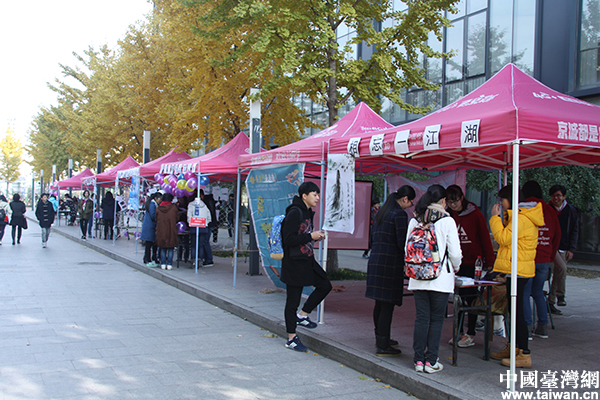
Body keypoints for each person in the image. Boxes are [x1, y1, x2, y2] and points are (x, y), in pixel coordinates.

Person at [407, 185, 462, 374]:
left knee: (421, 318)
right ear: (444, 201)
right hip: (440, 279)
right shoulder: (447, 220)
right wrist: (456, 266)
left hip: (418, 277)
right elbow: (455, 253)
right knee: (437, 319)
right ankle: (431, 361)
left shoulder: (415, 220)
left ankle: (418, 360)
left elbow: (407, 249)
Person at [489, 185, 543, 368]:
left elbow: (503, 239)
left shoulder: (521, 218)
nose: (501, 204)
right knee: (513, 311)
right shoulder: (520, 216)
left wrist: (494, 219)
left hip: (518, 269)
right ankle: (514, 347)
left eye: (502, 200)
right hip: (517, 268)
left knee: (517, 313)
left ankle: (524, 352)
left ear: (510, 199)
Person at [281, 181, 332, 352]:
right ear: (304, 196)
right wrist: (311, 236)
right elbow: (288, 239)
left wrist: (314, 236)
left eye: (318, 195)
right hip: (294, 262)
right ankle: (291, 338)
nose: (317, 198)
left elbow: (303, 235)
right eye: (314, 195)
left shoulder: (307, 212)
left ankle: (302, 315)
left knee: (325, 285)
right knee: (292, 301)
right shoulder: (295, 212)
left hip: (307, 259)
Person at [365, 186, 415, 356]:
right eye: (411, 202)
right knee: (387, 305)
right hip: (390, 263)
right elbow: (402, 242)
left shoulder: (382, 212)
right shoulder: (399, 214)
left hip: (376, 261)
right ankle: (383, 345)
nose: (410, 206)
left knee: (380, 304)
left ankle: (381, 338)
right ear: (405, 199)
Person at [446, 185, 495, 348]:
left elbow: (485, 239)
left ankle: (471, 333)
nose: (453, 205)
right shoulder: (448, 216)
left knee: (471, 300)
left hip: (473, 264)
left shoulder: (476, 215)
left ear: (462, 198)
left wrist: (490, 262)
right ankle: (458, 331)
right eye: (450, 202)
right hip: (456, 264)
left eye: (455, 201)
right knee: (458, 300)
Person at [521, 181, 560, 339]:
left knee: (524, 293)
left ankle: (526, 327)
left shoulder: (523, 209)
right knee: (538, 292)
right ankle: (542, 326)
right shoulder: (549, 210)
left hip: (527, 258)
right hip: (545, 258)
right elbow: (557, 235)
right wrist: (551, 255)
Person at [547, 184, 579, 315]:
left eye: (559, 195)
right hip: (549, 246)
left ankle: (551, 301)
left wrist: (571, 248)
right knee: (556, 271)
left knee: (559, 273)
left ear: (564, 196)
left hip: (563, 246)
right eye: (553, 195)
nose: (556, 198)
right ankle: (559, 296)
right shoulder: (547, 209)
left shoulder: (571, 211)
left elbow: (574, 230)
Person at [155, 192, 179, 270]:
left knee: (162, 247)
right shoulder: (174, 208)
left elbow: (156, 219)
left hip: (161, 230)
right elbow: (177, 218)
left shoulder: (158, 208)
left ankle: (163, 264)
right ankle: (169, 264)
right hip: (171, 230)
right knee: (171, 247)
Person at [188, 192, 212, 267]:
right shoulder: (204, 205)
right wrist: (205, 223)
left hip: (194, 227)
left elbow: (189, 216)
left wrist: (191, 223)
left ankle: (193, 261)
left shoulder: (191, 205)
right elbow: (209, 217)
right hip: (203, 227)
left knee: (193, 245)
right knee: (201, 245)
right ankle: (200, 261)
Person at [141, 192, 162, 267]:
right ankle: (148, 259)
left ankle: (149, 258)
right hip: (150, 227)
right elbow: (153, 216)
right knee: (149, 244)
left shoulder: (152, 204)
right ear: (155, 198)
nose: (160, 200)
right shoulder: (152, 205)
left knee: (151, 244)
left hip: (150, 226)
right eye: (159, 199)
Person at [198, 190, 215, 267]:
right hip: (208, 223)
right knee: (204, 241)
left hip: (208, 224)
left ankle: (209, 259)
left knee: (205, 241)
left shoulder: (206, 202)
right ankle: (206, 258)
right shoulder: (208, 200)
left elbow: (210, 214)